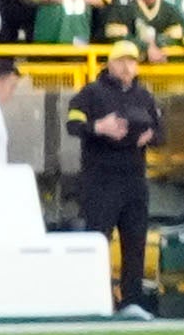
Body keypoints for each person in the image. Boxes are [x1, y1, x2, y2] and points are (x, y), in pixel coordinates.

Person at [66, 49, 161, 311]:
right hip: (100, 181)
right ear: (109, 64)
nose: (127, 67)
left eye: (132, 61)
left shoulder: (144, 96)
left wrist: (149, 136)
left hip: (134, 181)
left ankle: (132, 303)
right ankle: (93, 302)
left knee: (136, 245)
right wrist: (98, 128)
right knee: (97, 243)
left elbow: (160, 130)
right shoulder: (91, 93)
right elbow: (72, 123)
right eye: (121, 61)